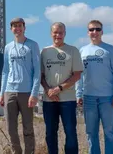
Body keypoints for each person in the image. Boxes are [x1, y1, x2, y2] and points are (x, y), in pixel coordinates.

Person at [76, 20, 113, 154]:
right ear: (88, 32)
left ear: (102, 32)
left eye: (97, 29)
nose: (94, 32)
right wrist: (78, 94)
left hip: (107, 98)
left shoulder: (110, 50)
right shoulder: (83, 50)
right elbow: (79, 74)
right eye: (91, 30)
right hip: (89, 98)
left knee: (109, 132)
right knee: (91, 132)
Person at [0, 17, 41, 154]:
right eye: (14, 26)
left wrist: (34, 93)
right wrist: (2, 93)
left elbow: (37, 70)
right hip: (10, 91)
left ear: (24, 27)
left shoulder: (32, 45)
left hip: (26, 92)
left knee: (28, 128)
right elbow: (5, 71)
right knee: (11, 128)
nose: (17, 28)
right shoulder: (8, 47)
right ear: (11, 29)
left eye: (20, 26)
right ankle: (16, 152)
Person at [40, 22, 83, 154]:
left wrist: (59, 88)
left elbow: (77, 75)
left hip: (68, 99)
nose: (58, 35)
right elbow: (41, 76)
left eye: (61, 32)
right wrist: (48, 90)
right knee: (50, 133)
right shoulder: (45, 51)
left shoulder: (73, 50)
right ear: (51, 33)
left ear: (65, 34)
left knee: (70, 132)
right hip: (49, 100)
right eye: (55, 32)